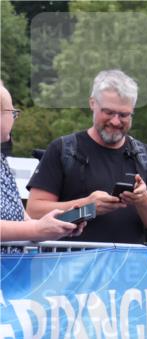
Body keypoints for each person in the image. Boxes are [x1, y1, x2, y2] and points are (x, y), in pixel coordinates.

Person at [26, 70, 147, 243]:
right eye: (108, 112)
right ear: (92, 104)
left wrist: (143, 199)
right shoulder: (63, 150)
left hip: (128, 267)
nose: (116, 121)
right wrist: (87, 206)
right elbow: (34, 211)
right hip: (71, 265)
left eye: (124, 115)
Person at [0, 80, 78, 242]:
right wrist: (37, 229)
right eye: (12, 113)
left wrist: (53, 226)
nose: (15, 118)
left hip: (13, 265)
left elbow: (22, 221)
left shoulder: (1, 161)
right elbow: (30, 228)